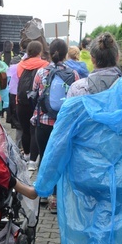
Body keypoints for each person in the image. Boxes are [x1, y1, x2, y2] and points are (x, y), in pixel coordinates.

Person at [33, 32, 122, 244]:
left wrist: (44, 183)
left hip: (84, 173)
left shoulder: (78, 90)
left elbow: (60, 139)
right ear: (118, 57)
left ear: (92, 58)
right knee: (107, 218)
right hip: (117, 173)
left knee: (89, 218)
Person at [32, 39, 80, 213]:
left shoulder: (41, 72)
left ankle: (42, 194)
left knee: (45, 156)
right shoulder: (73, 74)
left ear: (49, 53)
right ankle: (56, 199)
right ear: (66, 53)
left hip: (43, 122)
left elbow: (36, 94)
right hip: (63, 124)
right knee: (61, 159)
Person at [16, 40, 48, 170]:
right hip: (36, 101)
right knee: (34, 129)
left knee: (25, 130)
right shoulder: (45, 64)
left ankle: (27, 155)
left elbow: (18, 78)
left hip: (21, 101)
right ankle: (33, 162)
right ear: (40, 52)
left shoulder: (20, 65)